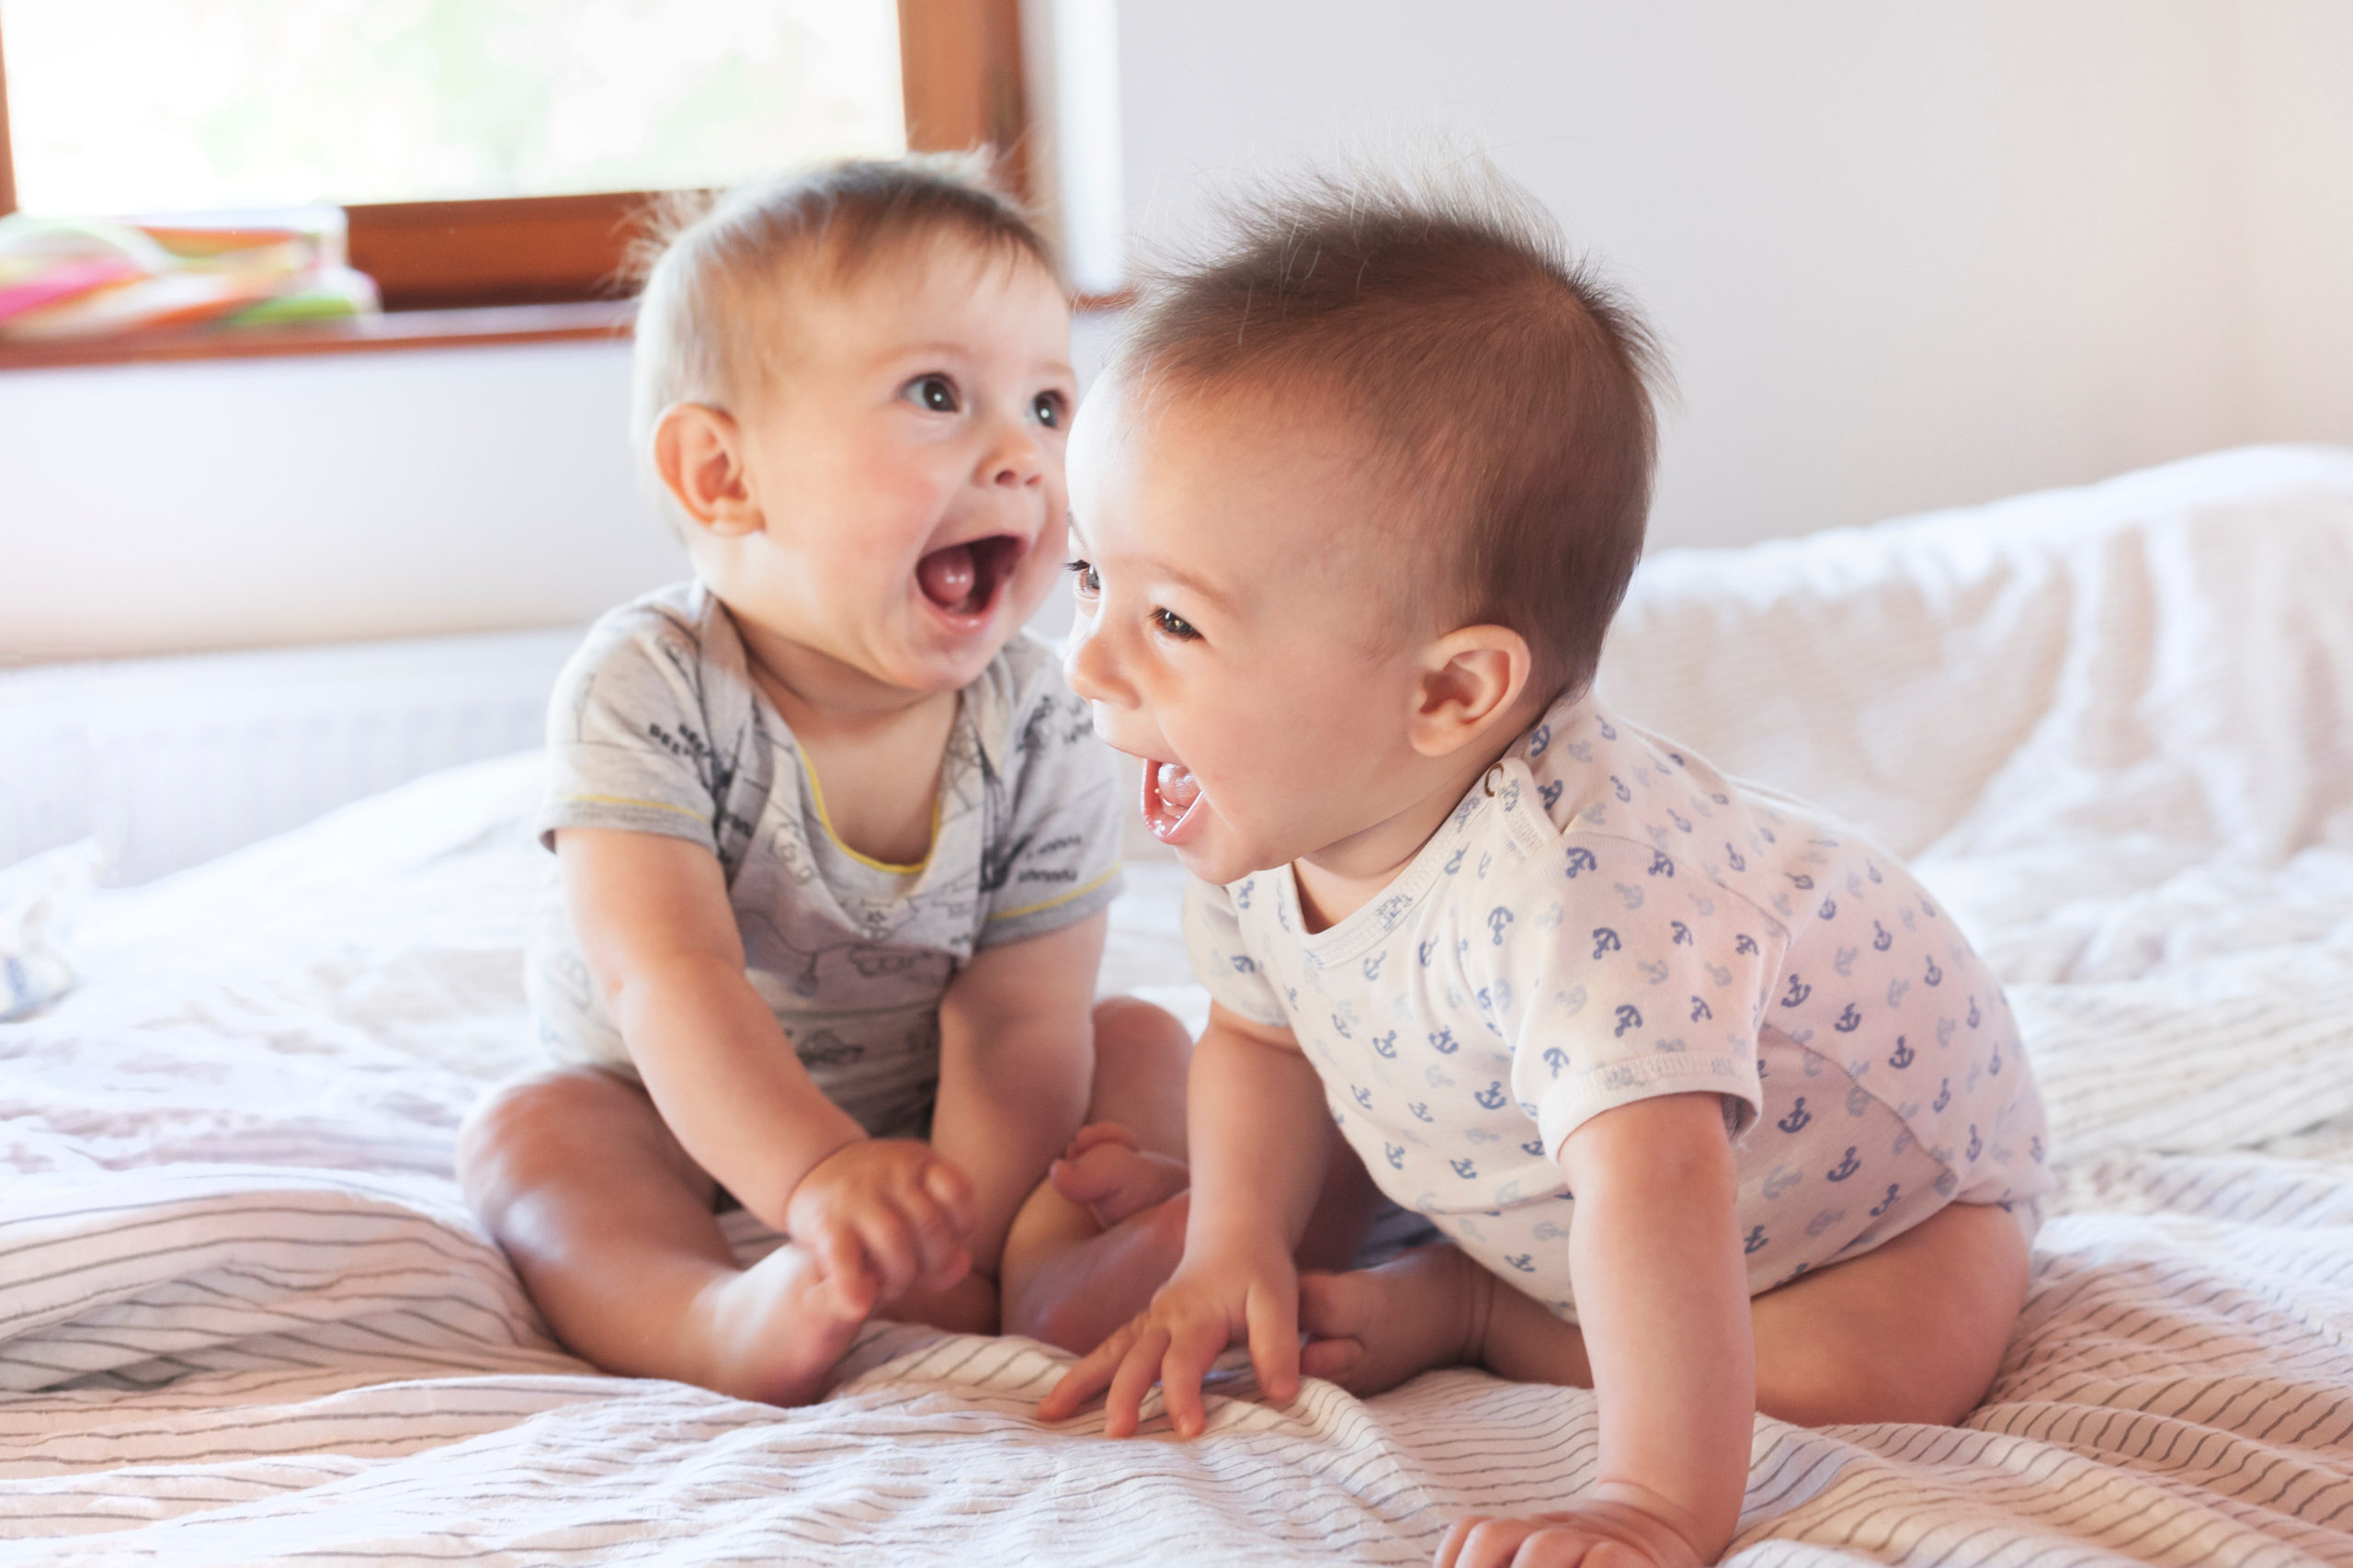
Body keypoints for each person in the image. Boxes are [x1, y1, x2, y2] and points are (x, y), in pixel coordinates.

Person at [1037, 163, 2052, 1568]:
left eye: (1172, 620)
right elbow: (1263, 1037)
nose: (1086, 654)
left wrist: (1648, 1502)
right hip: (1553, 1154)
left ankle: (1479, 1309)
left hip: (1888, 1204)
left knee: (1865, 1373)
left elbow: (1660, 1198)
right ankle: (1391, 1267)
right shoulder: (1266, 805)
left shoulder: (1579, 898)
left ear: (1450, 694)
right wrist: (1229, 1240)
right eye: (1089, 575)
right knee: (1293, 1152)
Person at [456, 156, 1197, 1407]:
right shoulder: (650, 685)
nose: (1023, 455)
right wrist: (812, 1176)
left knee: (1135, 1039)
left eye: (1051, 407)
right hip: (663, 1091)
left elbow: (1017, 1018)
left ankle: (1061, 1265)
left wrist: (945, 1232)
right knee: (531, 1136)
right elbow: (665, 977)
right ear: (721, 477)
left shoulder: (1041, 720)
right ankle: (698, 1312)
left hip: (939, 1093)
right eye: (937, 393)